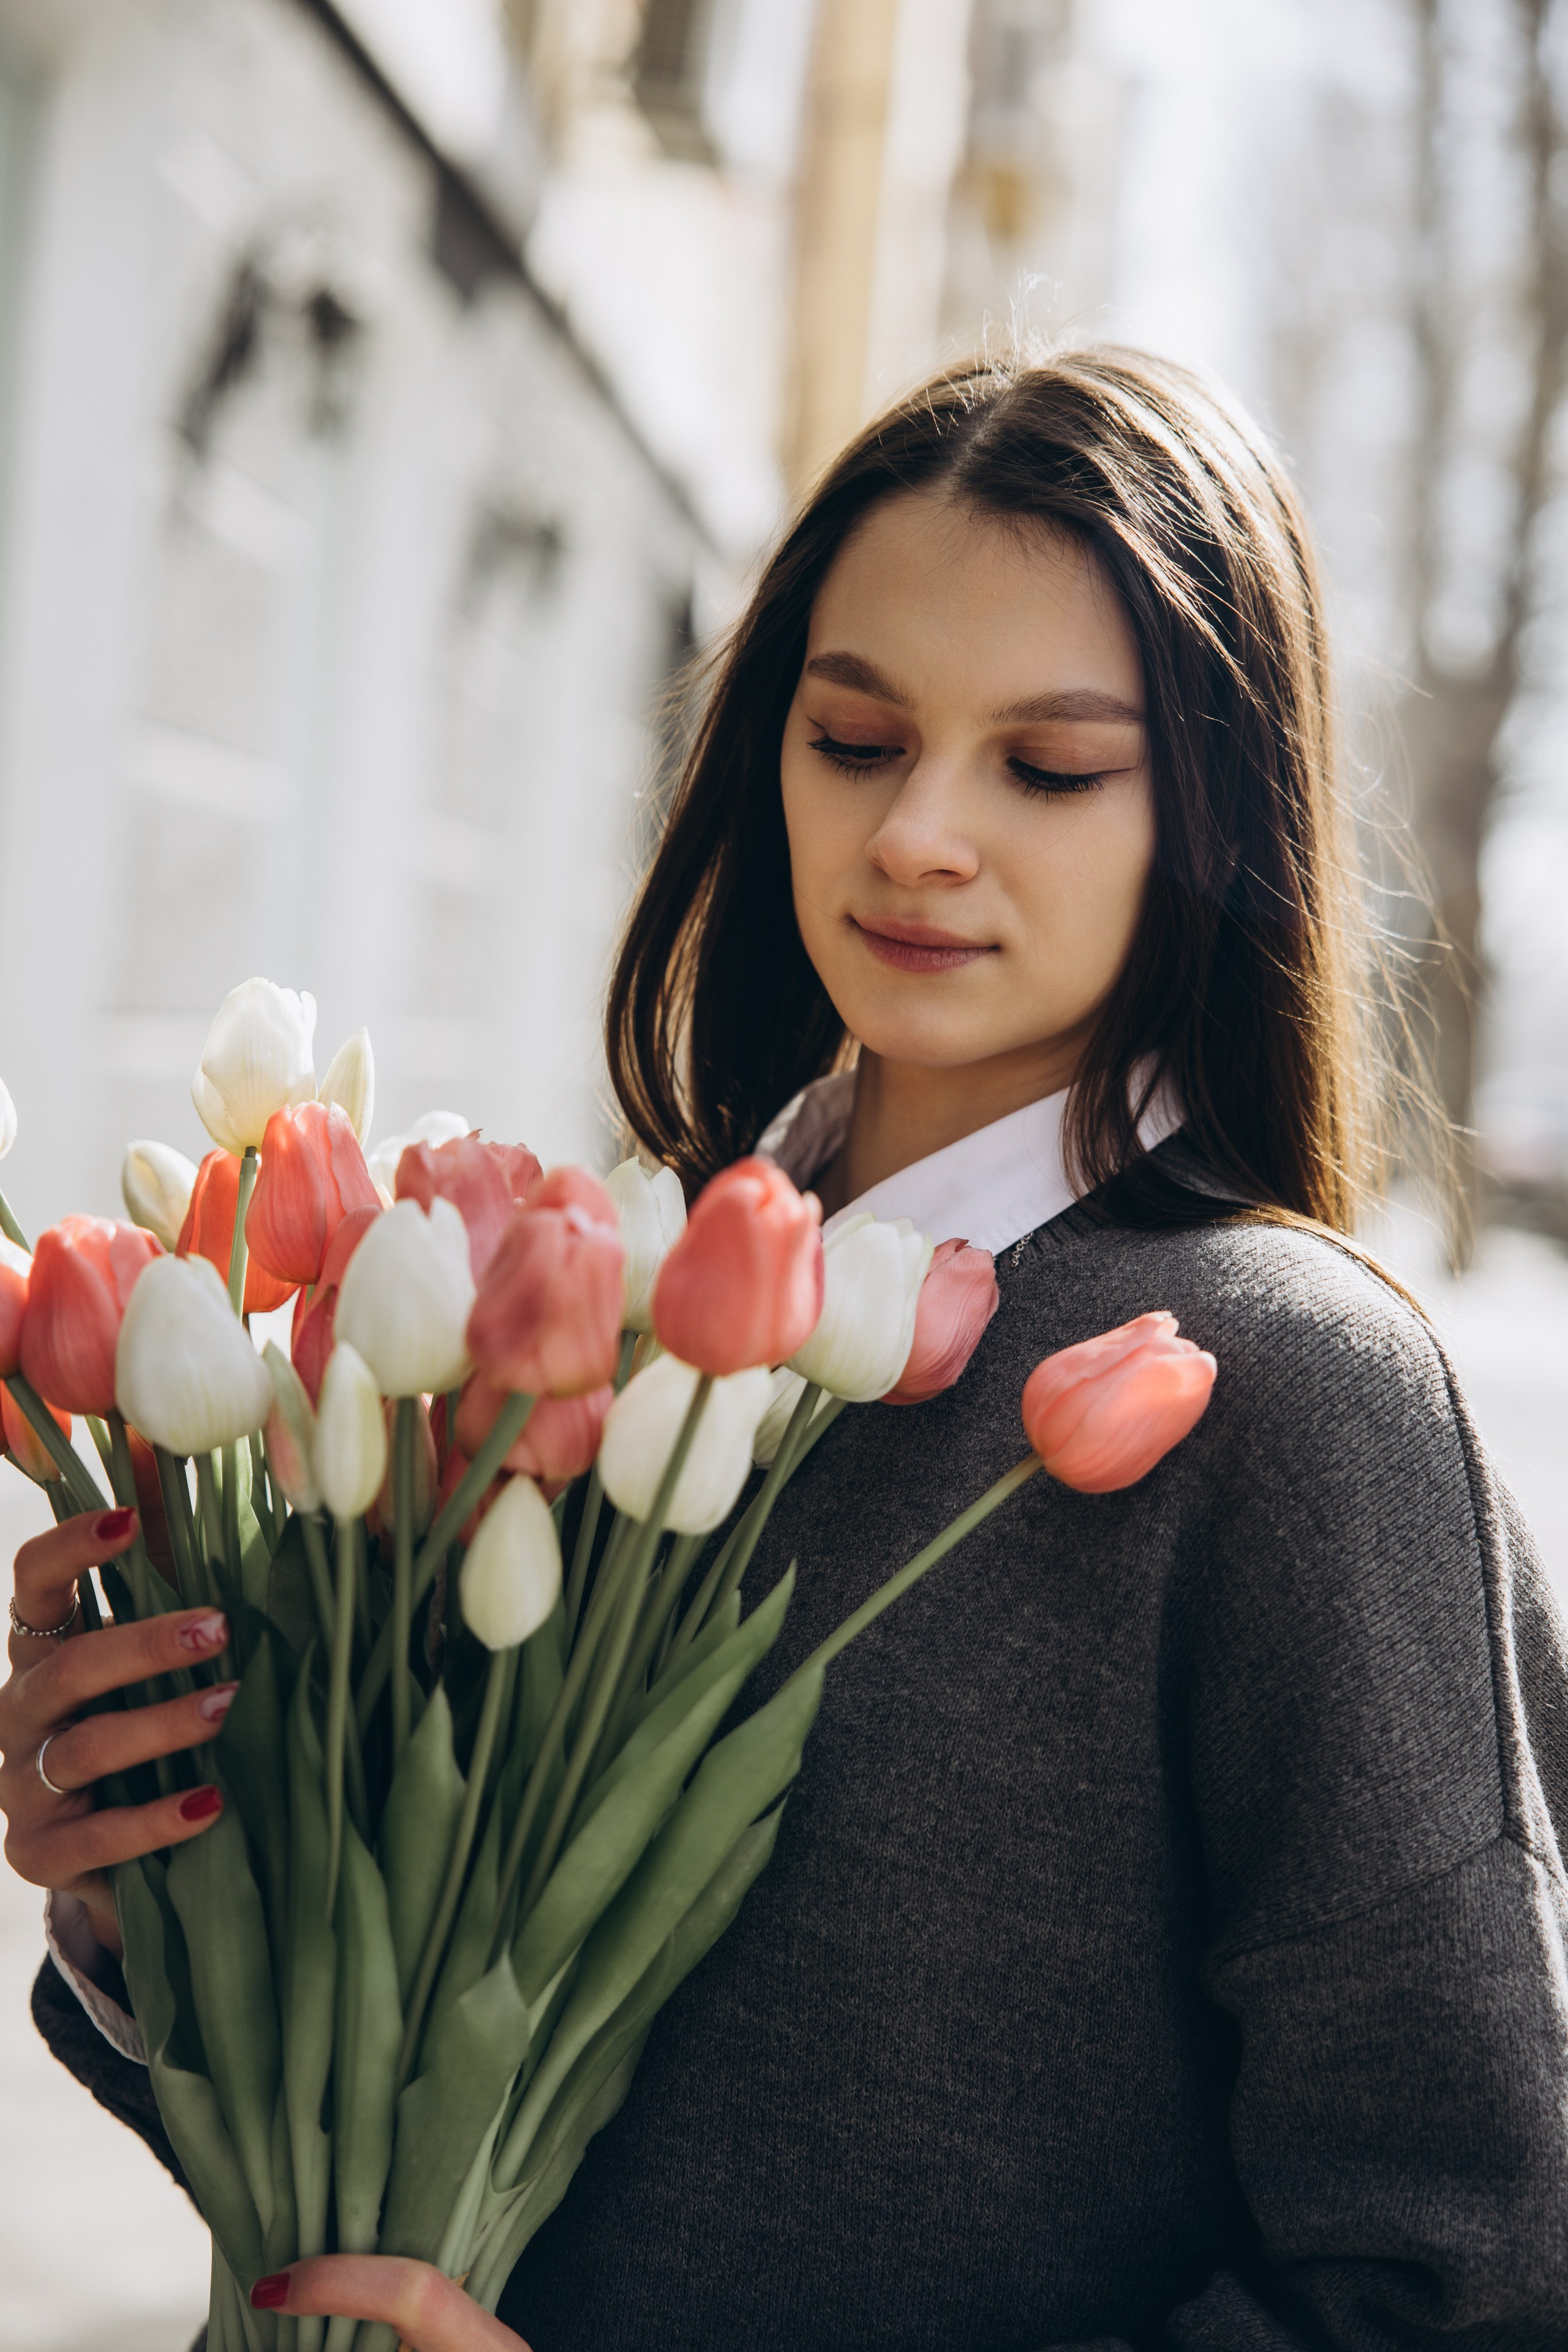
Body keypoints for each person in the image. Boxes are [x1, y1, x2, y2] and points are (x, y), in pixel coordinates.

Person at [7, 349, 1568, 2352]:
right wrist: (160, 1897)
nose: (921, 831)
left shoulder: (1291, 1405)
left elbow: (1467, 2286)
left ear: (1218, 812)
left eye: (1050, 766)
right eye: (856, 737)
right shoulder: (578, 1300)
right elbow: (424, 2169)